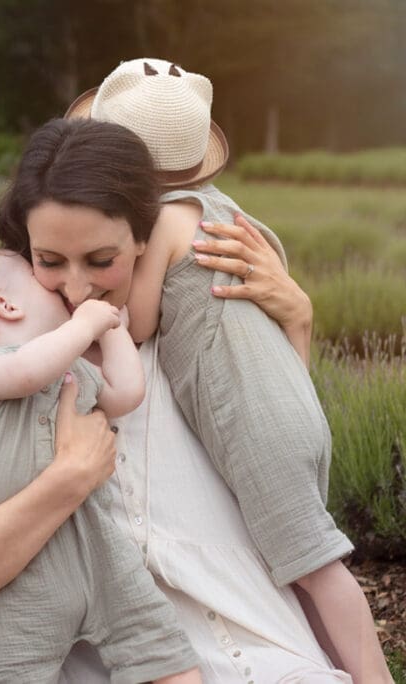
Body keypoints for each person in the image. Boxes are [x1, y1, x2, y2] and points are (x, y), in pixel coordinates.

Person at [0, 117, 355, 682]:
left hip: (256, 655)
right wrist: (67, 479)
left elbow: (281, 472)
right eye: (49, 261)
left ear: (144, 237)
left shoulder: (194, 342)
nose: (77, 288)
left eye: (100, 260)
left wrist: (296, 327)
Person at [59, 57, 390, 682]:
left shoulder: (163, 219)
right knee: (302, 566)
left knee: (316, 568)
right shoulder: (222, 210)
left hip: (252, 426)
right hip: (288, 403)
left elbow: (141, 321)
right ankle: (332, 664)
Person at [0, 247, 200, 683]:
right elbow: (29, 372)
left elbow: (125, 393)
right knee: (13, 673)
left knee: (161, 645)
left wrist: (113, 330)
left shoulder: (73, 369)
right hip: (24, 579)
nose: (68, 294)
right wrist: (84, 325)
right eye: (38, 278)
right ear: (6, 305)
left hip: (97, 550)